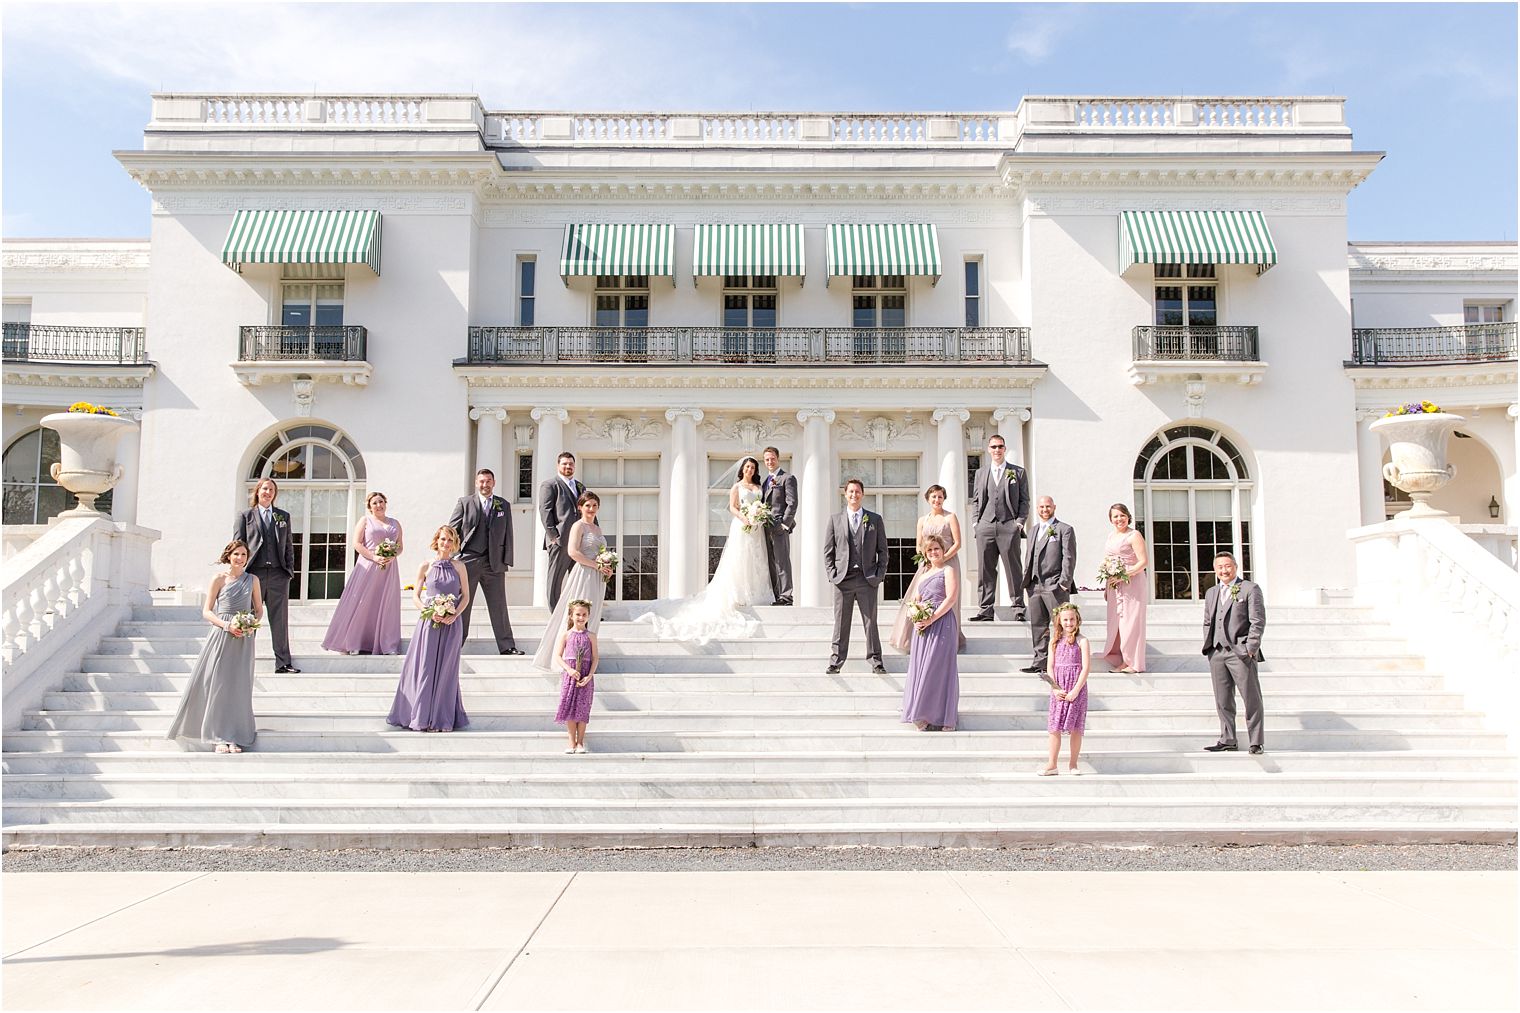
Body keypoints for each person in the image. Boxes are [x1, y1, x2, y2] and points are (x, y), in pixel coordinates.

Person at [638, 457, 772, 643]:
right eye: (747, 467)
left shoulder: (759, 487)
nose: (750, 469)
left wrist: (759, 516)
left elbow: (762, 505)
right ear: (742, 469)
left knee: (756, 558)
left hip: (757, 529)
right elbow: (732, 508)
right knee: (740, 558)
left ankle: (756, 592)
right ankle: (739, 594)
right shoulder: (737, 487)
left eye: (753, 467)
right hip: (742, 525)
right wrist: (744, 518)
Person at [166, 540, 262, 753]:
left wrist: (250, 625)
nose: (240, 558)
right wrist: (227, 625)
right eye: (236, 554)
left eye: (244, 554)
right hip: (221, 634)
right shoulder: (218, 579)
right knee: (218, 685)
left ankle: (234, 736)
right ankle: (218, 737)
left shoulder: (253, 580)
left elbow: (258, 608)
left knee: (238, 687)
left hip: (243, 638)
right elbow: (207, 611)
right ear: (229, 556)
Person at [387, 525, 470, 732]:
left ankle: (441, 719)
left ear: (454, 543)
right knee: (425, 669)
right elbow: (415, 596)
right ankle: (422, 717)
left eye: (450, 540)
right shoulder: (426, 566)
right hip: (428, 623)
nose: (446, 543)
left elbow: (466, 596)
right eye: (443, 539)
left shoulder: (460, 566)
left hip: (451, 625)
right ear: (437, 541)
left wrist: (455, 614)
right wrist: (428, 611)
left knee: (446, 672)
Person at [533, 491, 612, 669]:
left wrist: (606, 567)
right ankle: (568, 659)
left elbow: (601, 553)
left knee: (592, 616)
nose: (591, 509)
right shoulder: (578, 526)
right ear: (580, 507)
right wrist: (595, 565)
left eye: (594, 506)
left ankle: (585, 659)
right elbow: (573, 552)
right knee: (578, 615)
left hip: (598, 578)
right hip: (584, 573)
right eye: (587, 505)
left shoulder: (598, 529)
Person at [448, 468, 522, 655]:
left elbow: (508, 534)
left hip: (494, 563)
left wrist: (506, 560)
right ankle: (456, 644)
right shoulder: (464, 503)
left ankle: (507, 646)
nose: (485, 484)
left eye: (488, 481)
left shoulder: (502, 505)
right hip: (468, 561)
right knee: (463, 604)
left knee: (499, 605)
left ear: (493, 483)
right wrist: (453, 556)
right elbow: (451, 530)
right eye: (482, 481)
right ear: (476, 483)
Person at [1202, 551, 1268, 755]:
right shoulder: (1211, 592)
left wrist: (1251, 648)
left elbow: (1257, 620)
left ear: (1235, 567)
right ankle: (1228, 738)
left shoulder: (1250, 589)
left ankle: (1256, 741)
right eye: (1220, 567)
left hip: (1241, 652)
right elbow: (1207, 621)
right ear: (1215, 569)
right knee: (1223, 700)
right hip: (1217, 652)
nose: (1224, 570)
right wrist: (1210, 646)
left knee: (1251, 698)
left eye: (1227, 566)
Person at [321, 491, 403, 655]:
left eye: (381, 502)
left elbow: (400, 546)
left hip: (389, 569)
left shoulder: (395, 523)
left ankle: (386, 644)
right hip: (368, 566)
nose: (378, 505)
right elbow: (357, 544)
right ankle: (354, 641)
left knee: (385, 605)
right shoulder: (365, 521)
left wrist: (392, 556)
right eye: (374, 503)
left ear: (385, 503)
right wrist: (374, 556)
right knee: (362, 603)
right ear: (369, 506)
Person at [824, 478, 890, 675]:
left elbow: (883, 551)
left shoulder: (875, 519)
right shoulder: (835, 520)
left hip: (866, 579)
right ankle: (836, 661)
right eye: (851, 492)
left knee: (870, 622)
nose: (854, 495)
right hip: (842, 579)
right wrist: (832, 574)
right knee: (841, 622)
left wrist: (878, 575)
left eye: (857, 492)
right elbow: (828, 551)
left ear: (863, 494)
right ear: (845, 495)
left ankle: (876, 661)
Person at [890, 485, 966, 654]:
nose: (936, 500)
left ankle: (948, 639)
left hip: (948, 561)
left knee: (947, 598)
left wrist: (942, 559)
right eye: (933, 497)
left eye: (939, 497)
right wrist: (927, 559)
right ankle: (916, 634)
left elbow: (957, 543)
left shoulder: (950, 517)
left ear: (943, 498)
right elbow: (919, 544)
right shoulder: (922, 520)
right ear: (928, 499)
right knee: (920, 597)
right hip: (928, 562)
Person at [233, 477, 298, 673]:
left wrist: (289, 571)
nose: (268, 492)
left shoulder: (282, 516)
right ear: (257, 491)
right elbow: (237, 546)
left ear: (274, 494)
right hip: (254, 574)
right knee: (249, 617)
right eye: (264, 489)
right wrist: (239, 573)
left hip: (279, 574)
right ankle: (241, 663)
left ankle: (283, 663)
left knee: (280, 620)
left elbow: (288, 546)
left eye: (271, 490)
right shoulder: (245, 516)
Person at [899, 534, 961, 731]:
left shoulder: (948, 570)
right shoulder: (923, 574)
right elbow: (916, 600)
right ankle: (922, 713)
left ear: (943, 551)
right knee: (922, 668)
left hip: (942, 623)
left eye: (937, 549)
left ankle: (944, 717)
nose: (934, 552)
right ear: (925, 554)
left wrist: (931, 618)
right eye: (930, 550)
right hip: (923, 627)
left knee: (940, 668)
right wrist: (917, 619)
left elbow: (951, 599)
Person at [969, 433, 1030, 623]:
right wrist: (976, 523)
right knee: (985, 568)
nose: (997, 450)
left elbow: (1024, 500)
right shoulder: (981, 473)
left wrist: (1019, 522)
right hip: (985, 526)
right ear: (988, 449)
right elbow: (977, 499)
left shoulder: (1017, 472)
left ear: (1005, 448)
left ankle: (1018, 607)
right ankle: (985, 609)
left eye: (1000, 446)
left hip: (1008, 525)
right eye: (993, 447)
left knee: (1013, 568)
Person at [1021, 495, 1076, 681]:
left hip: (1055, 584)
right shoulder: (1034, 530)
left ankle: (1064, 660)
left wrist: (1064, 583)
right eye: (1041, 507)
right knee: (1038, 625)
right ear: (1037, 509)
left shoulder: (1064, 529)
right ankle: (1040, 662)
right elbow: (1030, 556)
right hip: (1034, 584)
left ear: (1054, 507)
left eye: (1048, 506)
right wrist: (1027, 581)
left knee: (1061, 624)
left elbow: (1069, 557)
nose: (1045, 509)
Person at [1099, 502, 1149, 673]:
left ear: (1128, 516)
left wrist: (1125, 575)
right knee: (1117, 623)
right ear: (1110, 519)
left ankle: (1133, 663)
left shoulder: (1134, 535)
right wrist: (1107, 586)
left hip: (1132, 583)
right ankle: (1120, 658)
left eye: (1122, 515)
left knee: (1131, 622)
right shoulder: (1111, 537)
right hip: (1114, 585)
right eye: (1115, 516)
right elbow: (1108, 562)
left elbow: (1143, 562)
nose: (1119, 519)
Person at [1041, 603, 1091, 775]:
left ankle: (1073, 764)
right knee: (1055, 726)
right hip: (1059, 687)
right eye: (1065, 620)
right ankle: (1052, 764)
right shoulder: (1054, 641)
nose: (1069, 623)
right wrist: (1055, 688)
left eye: (1072, 619)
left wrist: (1076, 690)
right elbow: (1050, 667)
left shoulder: (1082, 641)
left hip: (1076, 687)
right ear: (1059, 621)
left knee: (1076, 727)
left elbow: (1085, 668)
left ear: (1077, 620)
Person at [538, 452, 587, 610]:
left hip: (578, 542)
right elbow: (545, 511)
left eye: (571, 464)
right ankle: (555, 613)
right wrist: (554, 537)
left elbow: (588, 511)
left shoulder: (580, 486)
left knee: (579, 579)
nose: (568, 466)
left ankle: (578, 614)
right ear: (558, 465)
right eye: (564, 464)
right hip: (559, 541)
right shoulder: (550, 485)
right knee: (555, 580)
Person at [552, 598, 599, 754]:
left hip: (585, 676)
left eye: (584, 614)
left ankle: (580, 742)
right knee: (570, 708)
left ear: (588, 616)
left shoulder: (591, 636)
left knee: (583, 709)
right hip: (570, 675)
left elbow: (595, 658)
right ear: (571, 616)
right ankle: (571, 742)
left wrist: (590, 675)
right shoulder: (566, 635)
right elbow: (558, 656)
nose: (581, 617)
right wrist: (569, 670)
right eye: (578, 614)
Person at [760, 446, 799, 606]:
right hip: (765, 527)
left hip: (779, 527)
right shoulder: (765, 482)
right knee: (771, 563)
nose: (770, 461)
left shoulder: (787, 478)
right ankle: (777, 596)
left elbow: (792, 503)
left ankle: (786, 596)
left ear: (778, 459)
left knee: (782, 562)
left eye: (772, 458)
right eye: (767, 459)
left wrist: (785, 524)